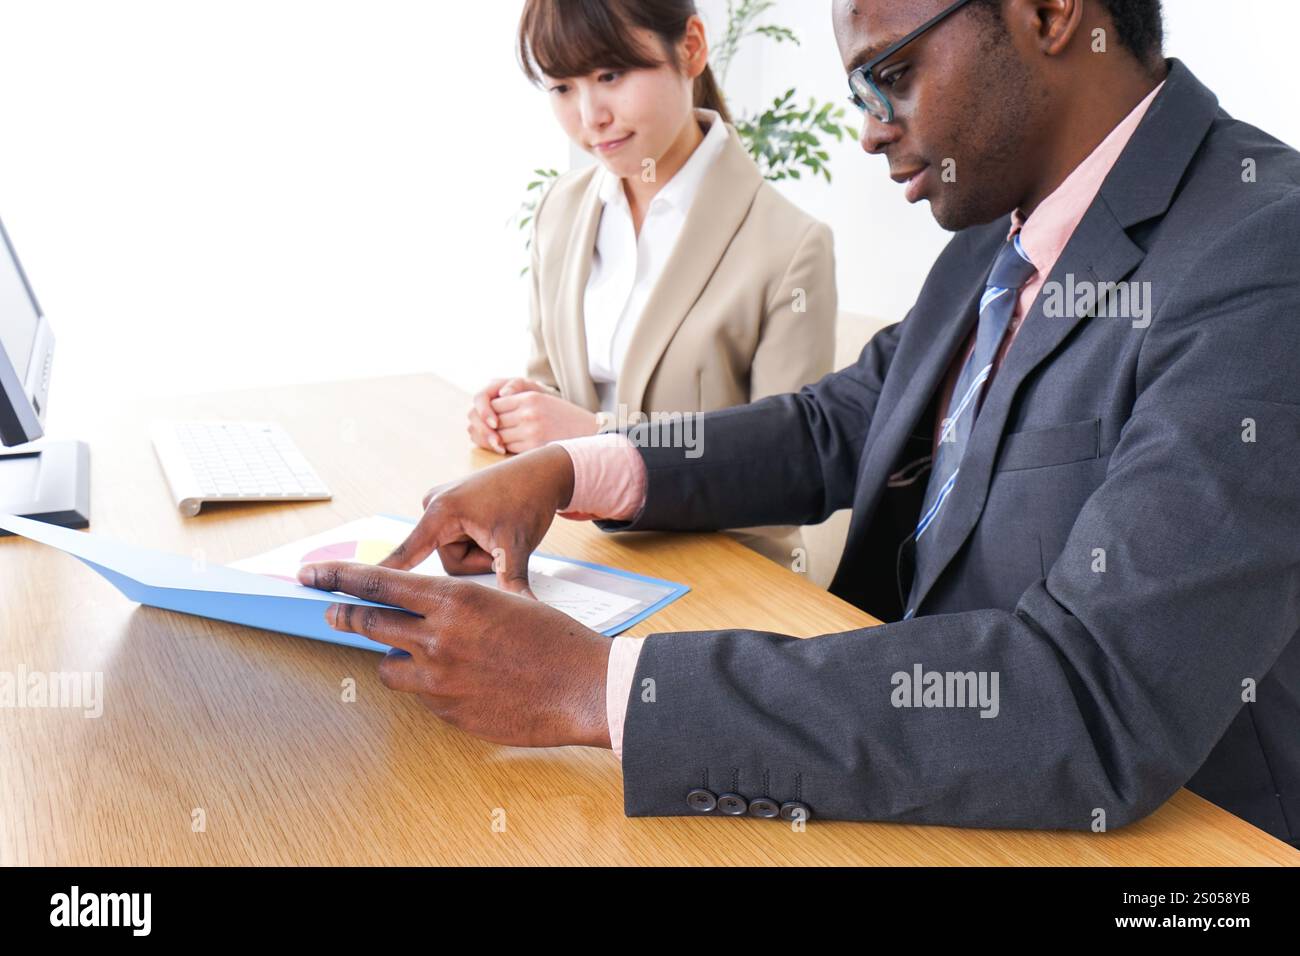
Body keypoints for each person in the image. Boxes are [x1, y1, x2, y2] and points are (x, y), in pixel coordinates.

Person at [299, 0, 1300, 848]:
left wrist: (600, 685)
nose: (868, 130)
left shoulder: (1262, 249)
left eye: (891, 75)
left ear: (1046, 14)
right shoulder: (1002, 229)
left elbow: (1089, 697)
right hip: (915, 776)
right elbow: (841, 422)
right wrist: (572, 465)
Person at [467, 0, 838, 565]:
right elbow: (552, 388)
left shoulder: (791, 246)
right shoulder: (561, 210)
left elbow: (787, 469)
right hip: (578, 552)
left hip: (724, 571)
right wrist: (511, 413)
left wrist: (597, 436)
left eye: (610, 75)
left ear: (691, 47)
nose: (590, 115)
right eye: (562, 87)